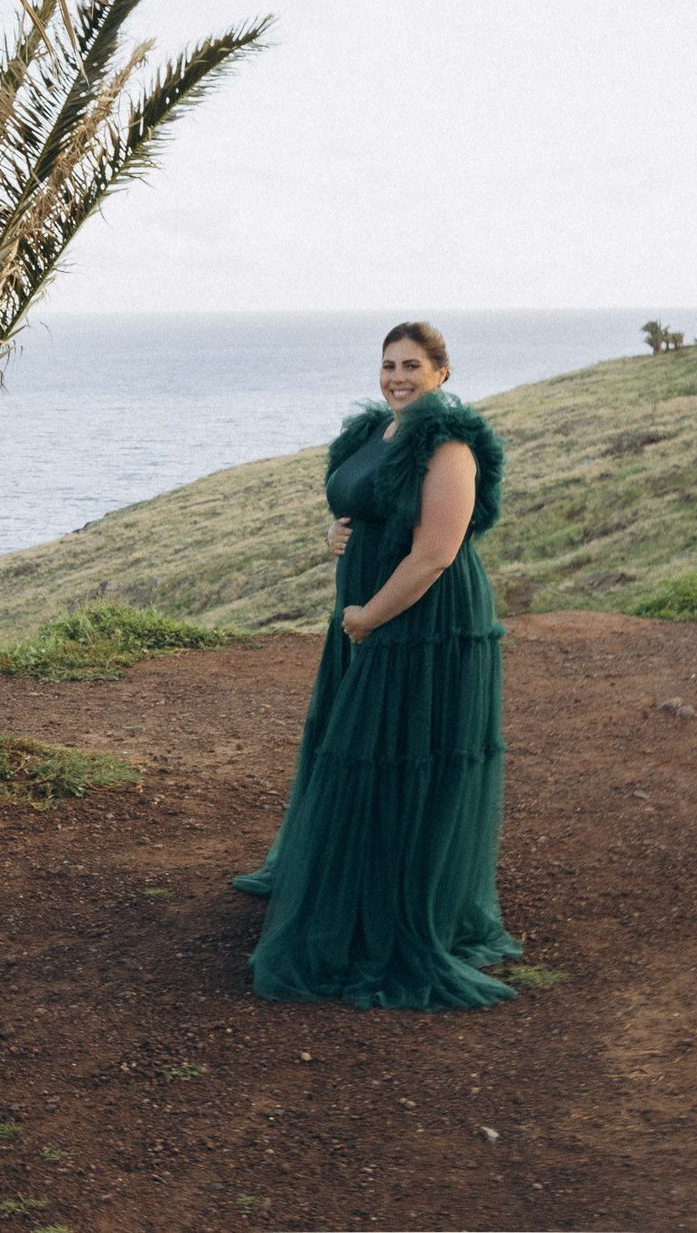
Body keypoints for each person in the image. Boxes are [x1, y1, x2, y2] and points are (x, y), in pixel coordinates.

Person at [232, 320, 521, 1008]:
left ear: (441, 373)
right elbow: (362, 500)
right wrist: (337, 533)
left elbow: (435, 554)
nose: (396, 375)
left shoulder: (448, 445)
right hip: (368, 618)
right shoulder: (377, 431)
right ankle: (357, 889)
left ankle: (392, 910)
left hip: (420, 623)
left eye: (412, 365)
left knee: (397, 752)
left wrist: (368, 615)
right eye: (388, 363)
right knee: (358, 747)